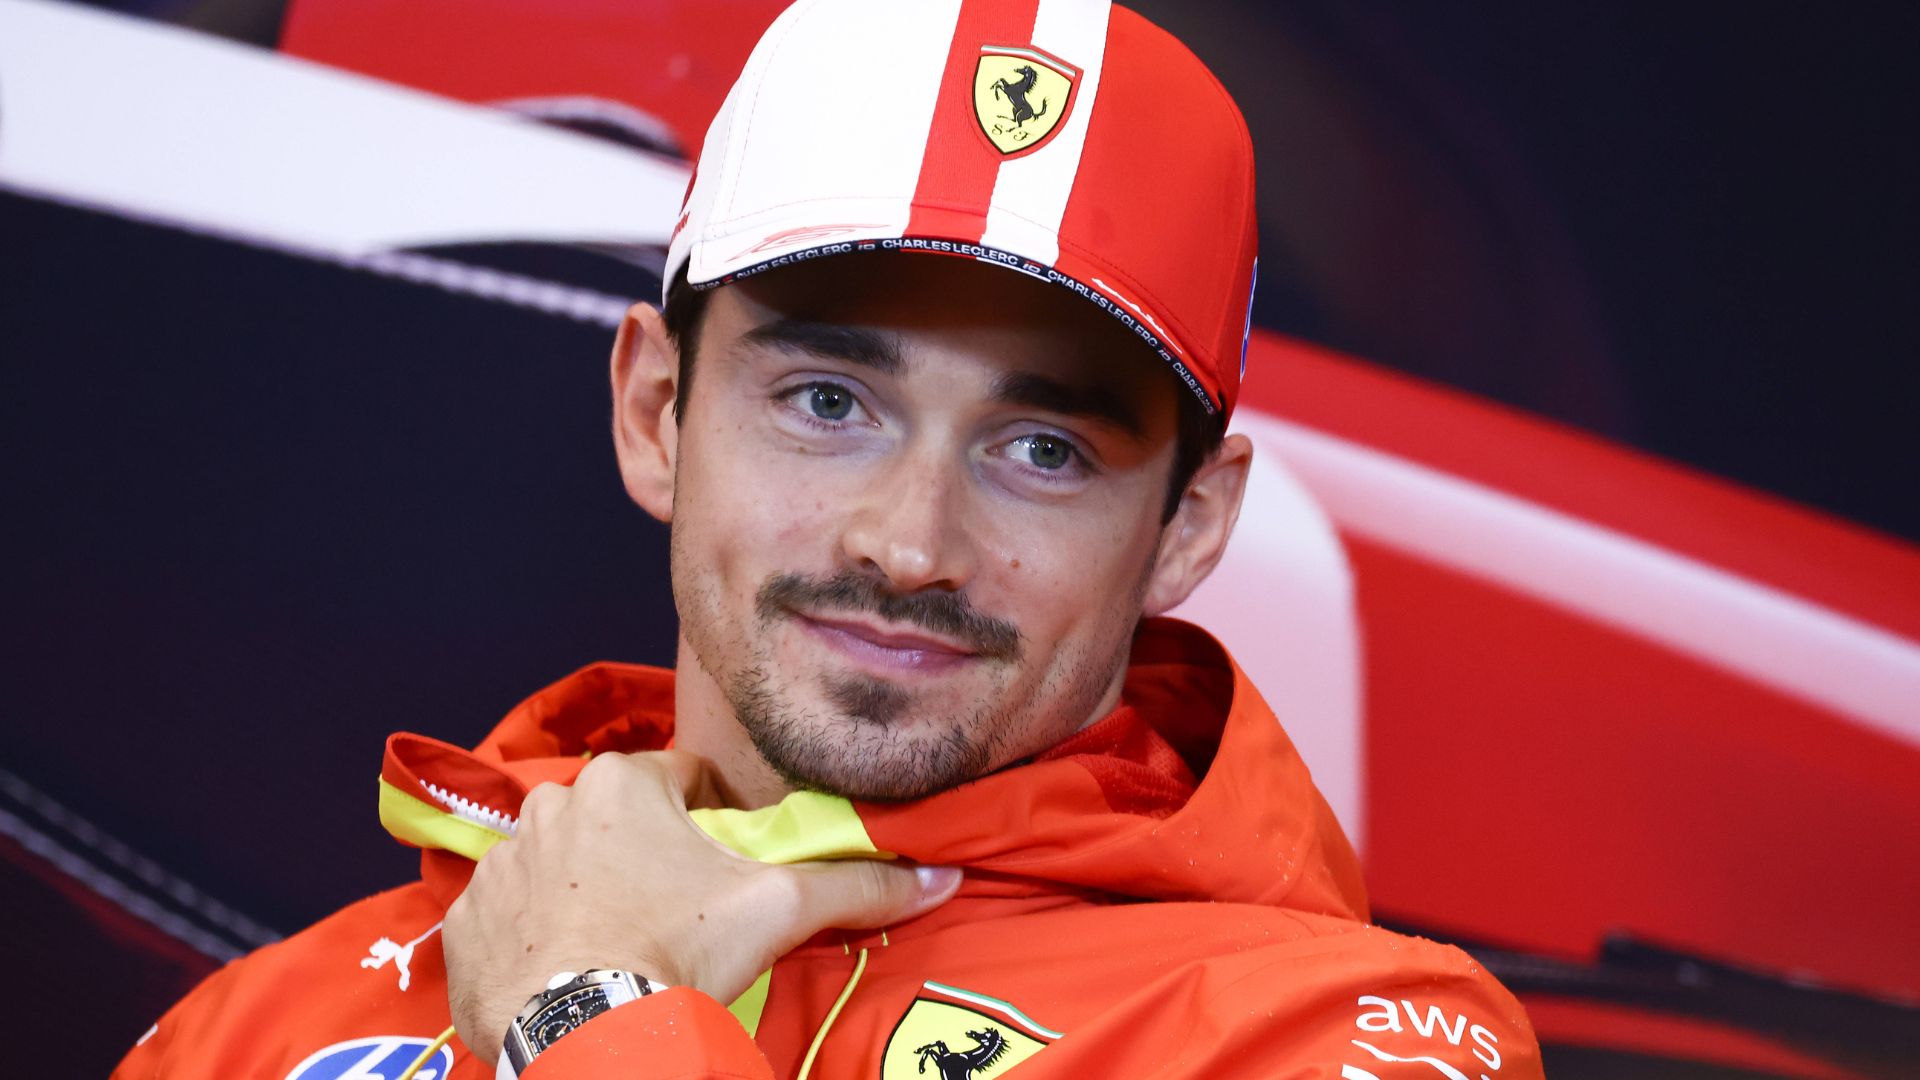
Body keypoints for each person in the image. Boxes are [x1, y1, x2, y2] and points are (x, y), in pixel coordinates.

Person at [115, 1, 1541, 1077]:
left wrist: (584, 1015)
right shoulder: (263, 1027)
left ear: (1188, 528)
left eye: (1043, 449)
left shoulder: (1340, 1041)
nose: (908, 544)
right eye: (827, 401)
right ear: (657, 413)